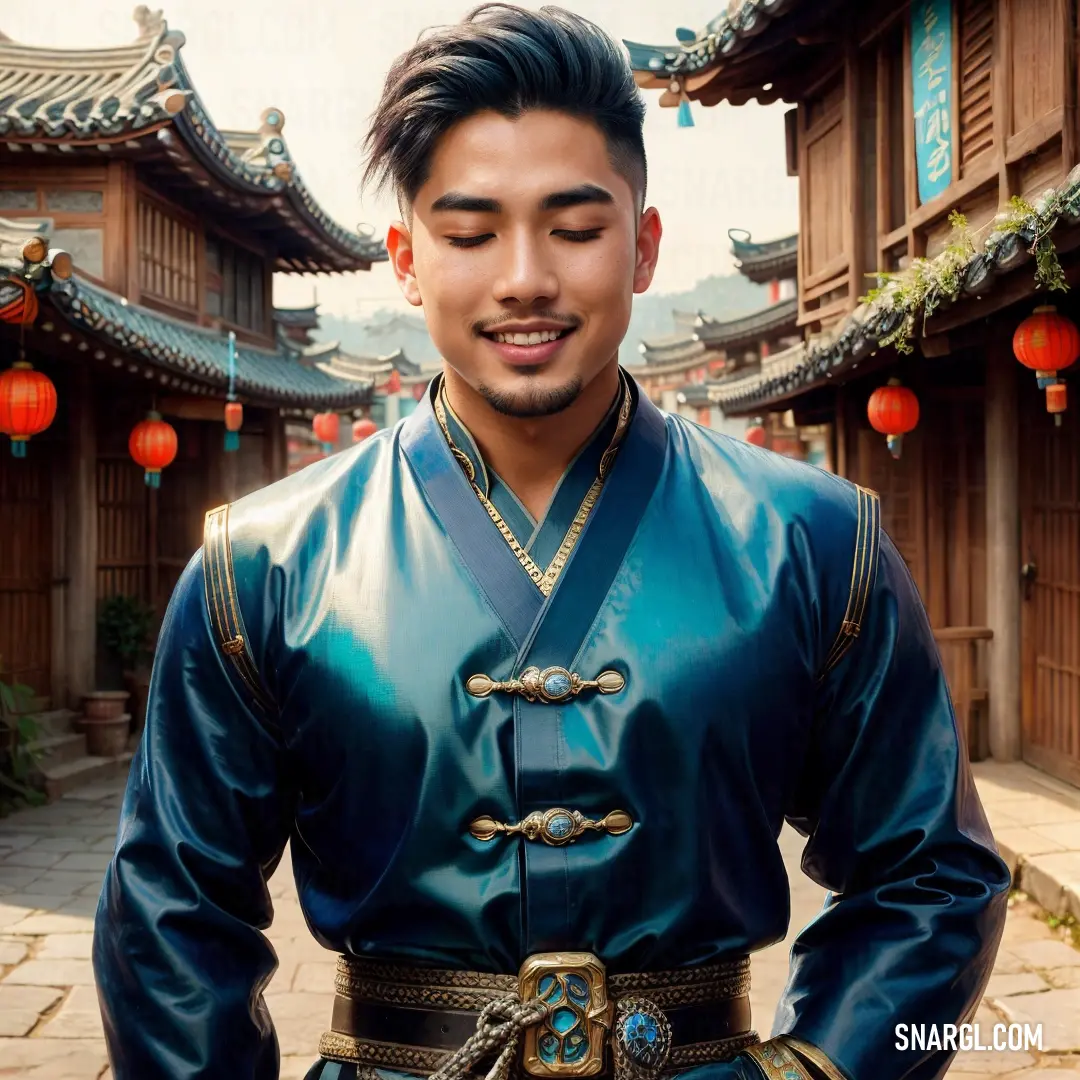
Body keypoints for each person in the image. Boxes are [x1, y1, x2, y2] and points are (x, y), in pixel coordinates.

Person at [92, 5, 1010, 1080]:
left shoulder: (812, 541)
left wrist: (820, 1069)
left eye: (575, 227)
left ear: (645, 242)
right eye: (470, 233)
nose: (525, 277)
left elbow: (935, 876)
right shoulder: (263, 565)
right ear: (406, 258)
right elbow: (168, 915)